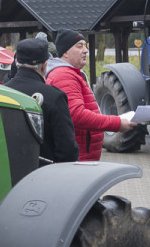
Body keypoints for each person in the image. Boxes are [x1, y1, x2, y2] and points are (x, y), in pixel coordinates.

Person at [46, 29, 133, 161]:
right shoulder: (63, 76)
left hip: (83, 155)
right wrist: (116, 123)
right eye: (79, 46)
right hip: (77, 158)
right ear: (65, 52)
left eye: (85, 46)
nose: (86, 50)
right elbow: (77, 115)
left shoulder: (71, 73)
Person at [4, 38, 79, 165]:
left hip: (8, 174)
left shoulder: (1, 93)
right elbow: (67, 150)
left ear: (16, 62)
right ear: (45, 65)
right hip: (44, 176)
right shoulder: (54, 96)